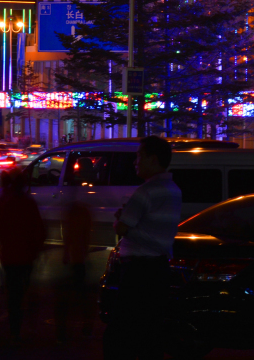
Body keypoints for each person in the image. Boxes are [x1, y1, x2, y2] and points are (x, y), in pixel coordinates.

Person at [103, 135, 181, 360]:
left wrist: (120, 220)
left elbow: (122, 228)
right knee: (151, 331)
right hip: (159, 269)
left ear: (153, 159)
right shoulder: (174, 189)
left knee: (119, 331)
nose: (134, 161)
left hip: (137, 271)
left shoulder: (145, 192)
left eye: (139, 155)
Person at [0, 167, 46, 345]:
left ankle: (15, 331)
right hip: (27, 255)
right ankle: (30, 327)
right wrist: (37, 249)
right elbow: (39, 230)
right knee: (26, 291)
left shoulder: (4, 202)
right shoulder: (29, 203)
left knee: (13, 295)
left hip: (9, 256)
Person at [56, 189, 93, 342]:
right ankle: (86, 325)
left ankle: (65, 331)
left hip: (74, 257)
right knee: (81, 291)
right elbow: (86, 234)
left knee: (69, 293)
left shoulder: (71, 214)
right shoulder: (84, 212)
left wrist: (66, 253)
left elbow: (69, 234)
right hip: (80, 256)